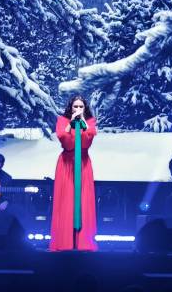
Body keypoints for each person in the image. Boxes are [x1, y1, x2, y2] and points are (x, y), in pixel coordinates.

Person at [49, 95, 98, 251]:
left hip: (83, 164)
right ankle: (64, 243)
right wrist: (71, 124)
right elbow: (65, 140)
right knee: (66, 201)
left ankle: (83, 243)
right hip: (67, 163)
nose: (77, 109)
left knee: (83, 201)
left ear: (85, 108)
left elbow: (87, 141)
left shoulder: (90, 122)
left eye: (81, 107)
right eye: (75, 107)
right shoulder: (63, 121)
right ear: (70, 108)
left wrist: (81, 122)